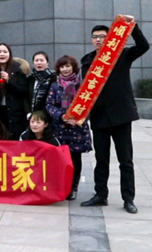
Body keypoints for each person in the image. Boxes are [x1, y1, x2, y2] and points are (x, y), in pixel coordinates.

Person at [80, 16, 148, 214]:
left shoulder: (122, 55)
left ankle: (128, 199)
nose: (98, 40)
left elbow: (143, 46)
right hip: (99, 117)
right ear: (91, 40)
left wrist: (132, 26)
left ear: (110, 38)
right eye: (95, 37)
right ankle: (100, 195)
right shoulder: (87, 61)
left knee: (125, 160)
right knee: (101, 160)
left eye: (102, 36)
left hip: (121, 116)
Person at [45, 55, 91, 201]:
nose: (65, 69)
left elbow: (89, 104)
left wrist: (78, 119)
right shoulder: (55, 85)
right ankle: (61, 185)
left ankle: (73, 187)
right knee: (60, 158)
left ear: (73, 67)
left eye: (67, 66)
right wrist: (62, 116)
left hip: (77, 128)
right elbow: (49, 105)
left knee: (75, 158)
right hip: (60, 127)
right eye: (62, 67)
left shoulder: (82, 85)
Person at [0, 43, 29, 140]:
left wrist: (9, 80)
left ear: (10, 54)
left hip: (15, 111)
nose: (2, 54)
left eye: (5, 52)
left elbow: (23, 90)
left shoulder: (18, 70)